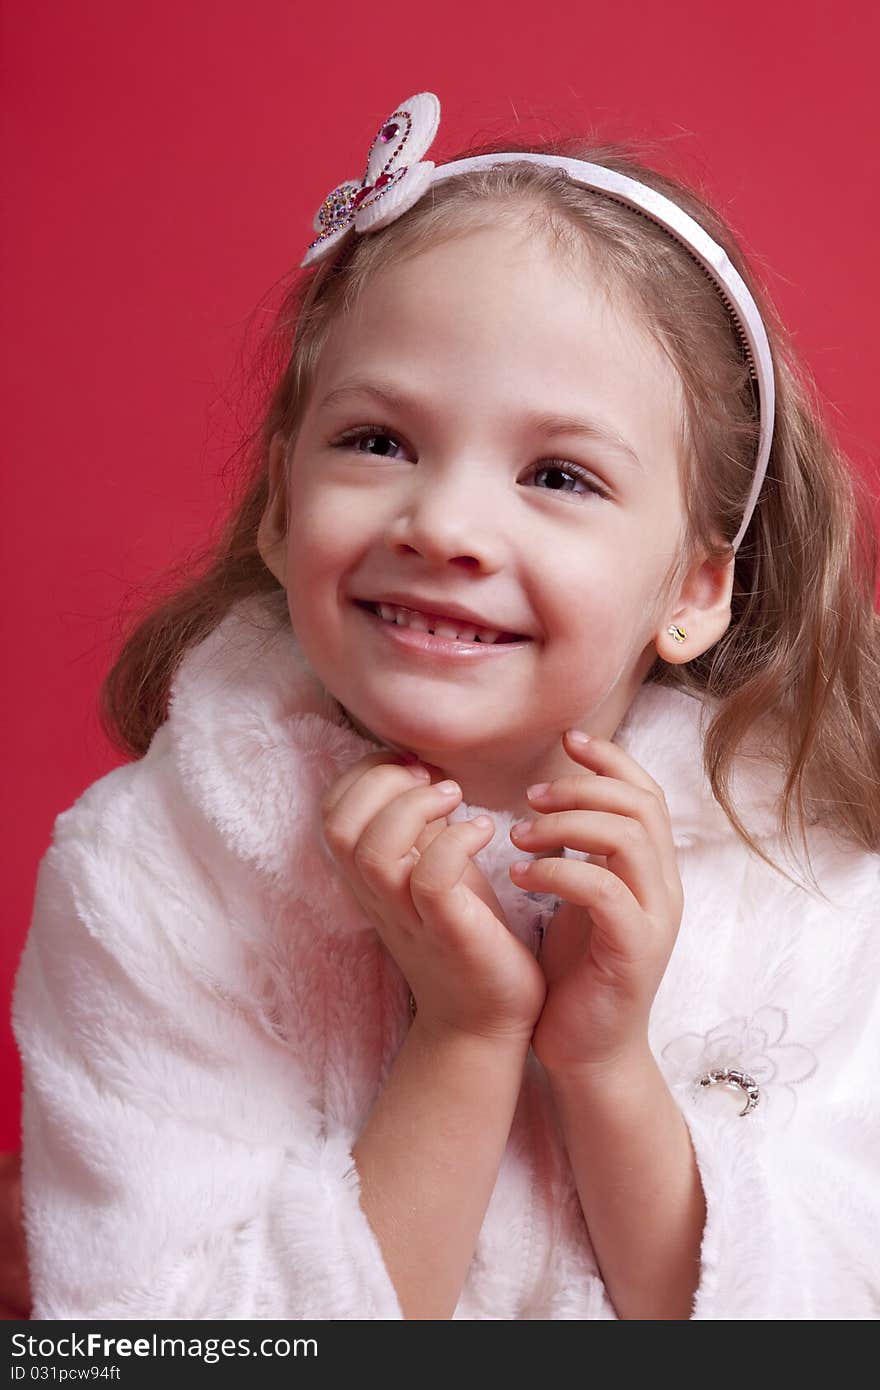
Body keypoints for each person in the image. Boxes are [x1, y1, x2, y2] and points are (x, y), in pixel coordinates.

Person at [10, 90, 880, 1321]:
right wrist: (465, 1039)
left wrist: (604, 1064)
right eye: (376, 442)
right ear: (277, 505)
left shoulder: (810, 875)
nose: (445, 525)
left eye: (558, 475)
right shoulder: (150, 873)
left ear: (693, 586)